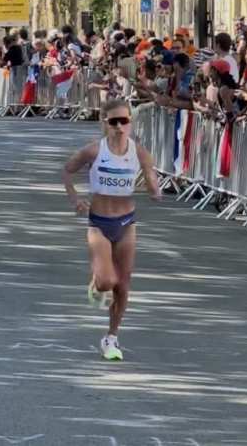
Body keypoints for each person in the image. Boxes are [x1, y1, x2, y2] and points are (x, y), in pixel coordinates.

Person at [62, 98, 161, 361]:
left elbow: (151, 177)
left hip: (127, 222)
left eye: (124, 121)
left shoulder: (139, 152)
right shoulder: (94, 151)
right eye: (113, 121)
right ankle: (97, 283)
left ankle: (112, 336)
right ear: (104, 123)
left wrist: (154, 189)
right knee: (108, 281)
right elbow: (67, 170)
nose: (119, 126)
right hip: (99, 223)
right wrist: (75, 199)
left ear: (130, 123)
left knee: (123, 284)